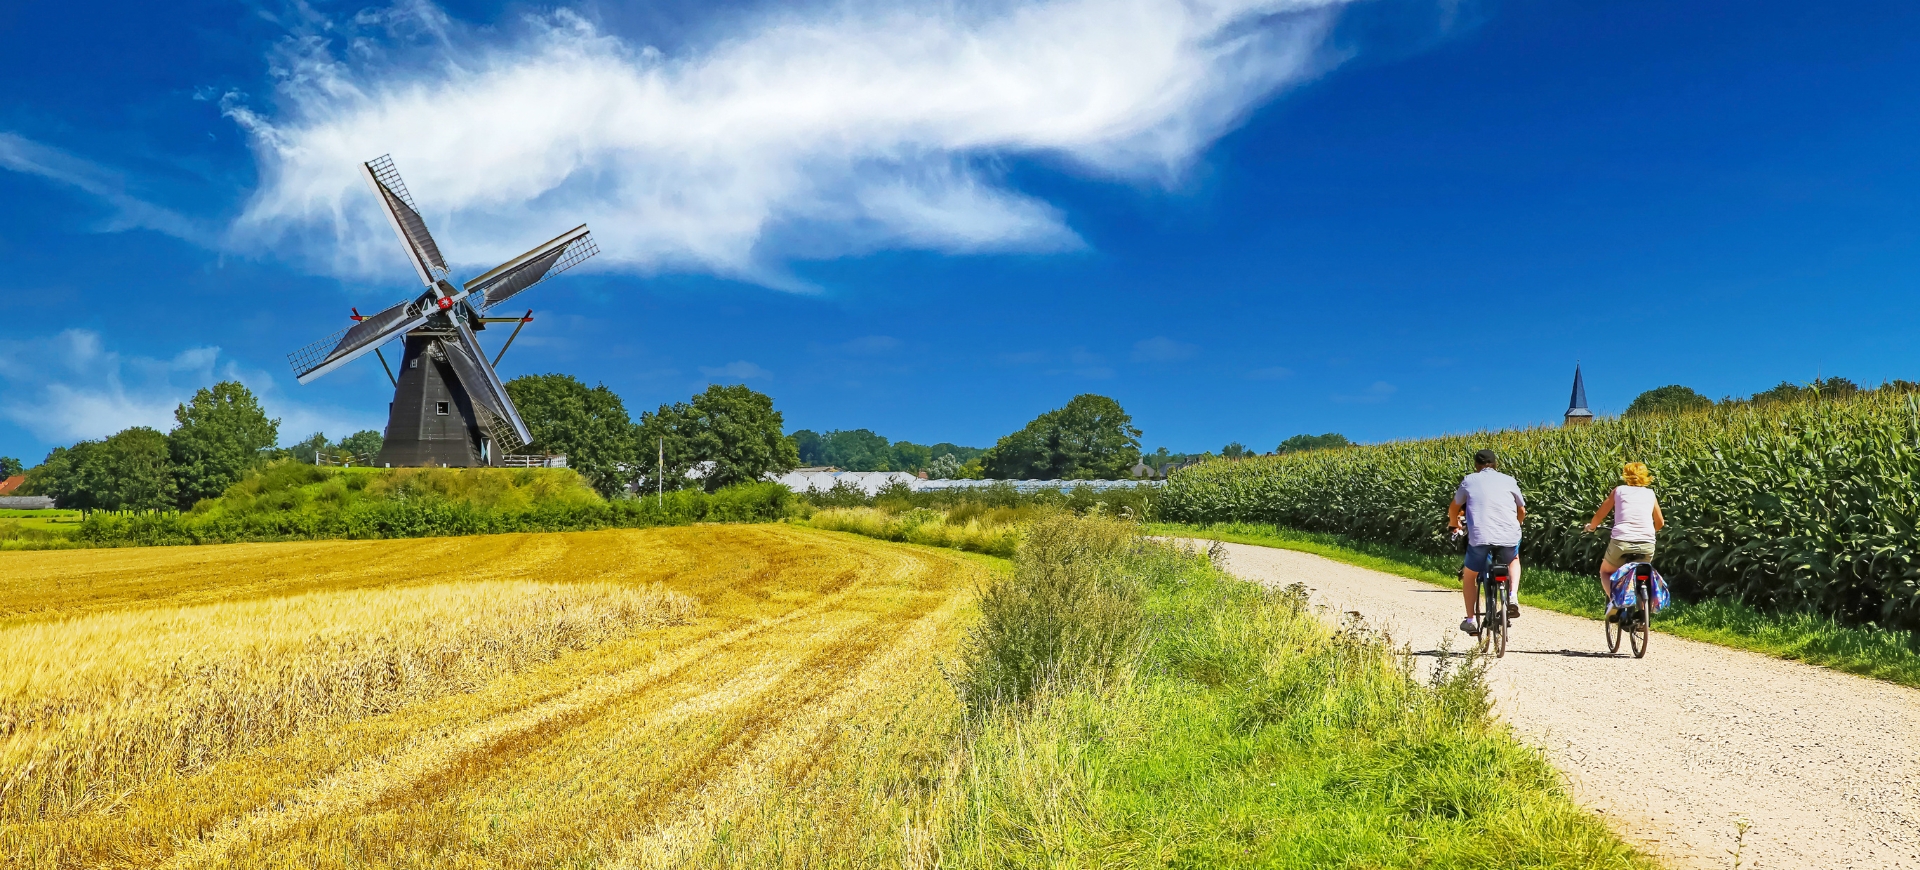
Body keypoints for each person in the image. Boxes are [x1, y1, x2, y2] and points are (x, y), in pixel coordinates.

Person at [1447, 448, 1526, 636]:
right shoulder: (1509, 480)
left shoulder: (1469, 480)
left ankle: (1470, 620)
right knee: (1513, 559)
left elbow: (1454, 508)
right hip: (1508, 536)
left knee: (1470, 575)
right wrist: (1517, 524)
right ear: (1495, 464)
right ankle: (1513, 597)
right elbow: (1521, 510)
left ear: (1476, 466)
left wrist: (1453, 523)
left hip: (1480, 537)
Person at [1584, 461, 1665, 617]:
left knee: (1605, 572)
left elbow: (1600, 514)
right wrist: (1647, 532)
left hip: (1621, 541)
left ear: (1626, 475)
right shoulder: (1650, 494)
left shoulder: (1619, 491)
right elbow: (1660, 522)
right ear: (1645, 476)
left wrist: (1591, 527)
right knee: (1643, 573)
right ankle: (1643, 614)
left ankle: (1615, 600)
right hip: (1647, 543)